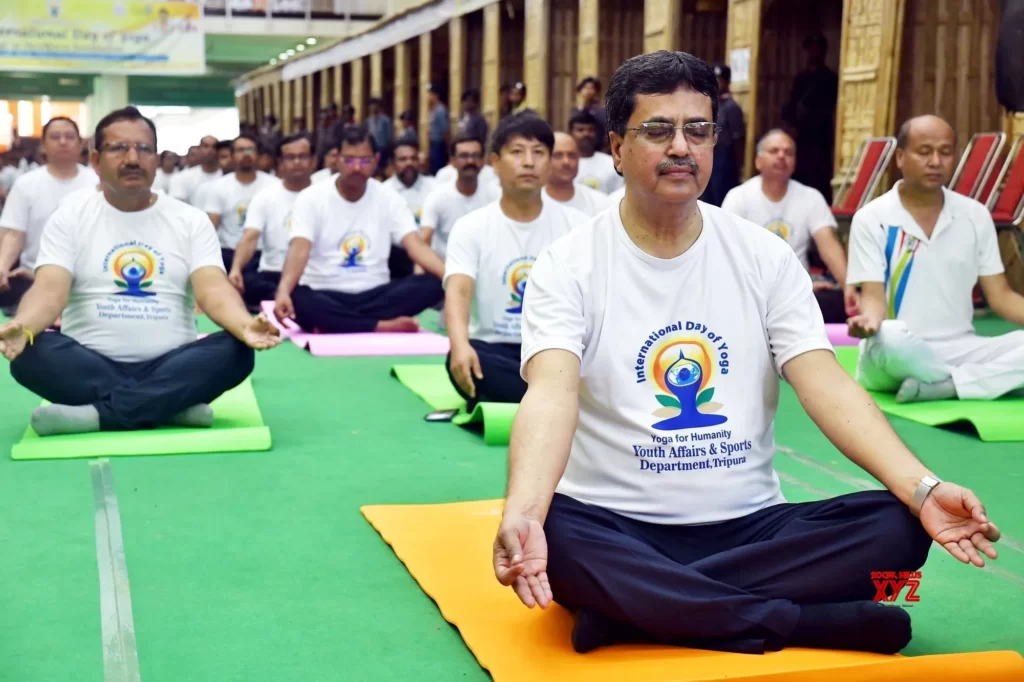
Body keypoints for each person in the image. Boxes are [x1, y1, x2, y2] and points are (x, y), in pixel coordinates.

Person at [491, 51, 1000, 658]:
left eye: (698, 130)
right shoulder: (568, 262)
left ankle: (634, 613)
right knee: (555, 534)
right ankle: (804, 623)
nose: (681, 147)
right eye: (658, 130)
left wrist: (922, 488)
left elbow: (826, 385)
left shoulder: (763, 256)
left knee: (895, 528)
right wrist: (523, 510)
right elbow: (551, 393)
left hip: (753, 527)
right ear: (618, 148)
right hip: (617, 526)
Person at [0, 106, 281, 436]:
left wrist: (245, 325)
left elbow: (214, 290)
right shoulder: (69, 218)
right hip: (89, 363)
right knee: (32, 355)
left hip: (171, 362)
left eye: (143, 149)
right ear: (95, 161)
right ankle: (169, 407)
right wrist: (24, 325)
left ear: (156, 160)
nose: (132, 158)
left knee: (235, 351)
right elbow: (49, 290)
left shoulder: (189, 220)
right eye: (119, 148)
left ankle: (97, 415)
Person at [846, 114, 1024, 403]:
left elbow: (1001, 296)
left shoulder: (975, 215)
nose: (936, 162)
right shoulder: (872, 218)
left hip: (961, 347)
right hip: (894, 350)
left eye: (945, 152)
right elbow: (873, 296)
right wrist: (869, 319)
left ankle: (948, 385)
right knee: (892, 336)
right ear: (901, 157)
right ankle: (969, 382)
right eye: (924, 152)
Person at [445, 115, 588, 408]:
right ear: (495, 162)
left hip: (555, 348)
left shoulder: (578, 226)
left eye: (538, 153)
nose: (528, 162)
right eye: (517, 152)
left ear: (549, 163)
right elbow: (458, 289)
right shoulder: (471, 226)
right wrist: (459, 345)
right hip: (495, 349)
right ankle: (560, 402)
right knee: (463, 360)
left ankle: (539, 398)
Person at [274, 125, 446, 334]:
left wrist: (450, 277)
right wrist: (283, 290)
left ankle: (336, 323)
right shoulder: (311, 197)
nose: (357, 168)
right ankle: (379, 325)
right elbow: (300, 249)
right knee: (298, 298)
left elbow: (415, 244)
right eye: (349, 160)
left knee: (432, 284)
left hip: (376, 294)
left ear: (376, 160)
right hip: (324, 291)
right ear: (337, 159)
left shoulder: (388, 197)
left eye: (364, 161)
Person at [722, 129, 854, 322]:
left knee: (839, 304)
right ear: (758, 161)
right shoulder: (738, 197)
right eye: (774, 151)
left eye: (788, 152)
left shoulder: (810, 197)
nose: (781, 156)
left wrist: (849, 288)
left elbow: (829, 246)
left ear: (794, 163)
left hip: (798, 291)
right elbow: (726, 250)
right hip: (751, 291)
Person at [0, 117, 99, 315]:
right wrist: (2, 266)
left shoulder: (98, 183)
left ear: (81, 145)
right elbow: (13, 233)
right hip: (35, 281)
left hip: (89, 283)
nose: (63, 141)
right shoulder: (26, 184)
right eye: (55, 137)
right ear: (43, 146)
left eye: (70, 136)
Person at [229, 133, 315, 309]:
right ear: (280, 163)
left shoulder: (326, 195)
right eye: (290, 157)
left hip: (315, 275)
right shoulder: (265, 197)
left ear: (314, 160)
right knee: (251, 284)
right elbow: (250, 237)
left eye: (303, 156)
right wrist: (236, 268)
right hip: (273, 273)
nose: (297, 162)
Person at [204, 135, 279, 273]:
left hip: (263, 252)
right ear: (232, 156)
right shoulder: (218, 187)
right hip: (228, 252)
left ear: (257, 155)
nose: (246, 154)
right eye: (240, 150)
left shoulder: (274, 185)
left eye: (250, 150)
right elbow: (211, 225)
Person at [421, 136, 501, 263]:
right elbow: (424, 242)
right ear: (452, 161)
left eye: (475, 156)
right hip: (444, 268)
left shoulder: (496, 195)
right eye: (464, 156)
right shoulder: (437, 196)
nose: (470, 161)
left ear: (482, 161)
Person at [782, 35, 839, 203]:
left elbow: (827, 107)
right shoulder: (801, 78)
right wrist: (790, 125)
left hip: (818, 137)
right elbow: (790, 104)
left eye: (816, 49)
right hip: (799, 138)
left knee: (817, 176)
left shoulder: (830, 78)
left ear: (823, 52)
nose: (813, 53)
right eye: (810, 50)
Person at [384, 142, 437, 279]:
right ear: (393, 163)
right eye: (403, 159)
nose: (409, 163)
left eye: (413, 159)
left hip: (430, 251)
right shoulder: (383, 191)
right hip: (395, 256)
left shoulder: (435, 187)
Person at [702, 64, 746, 207]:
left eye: (719, 79)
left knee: (721, 199)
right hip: (710, 157)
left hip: (725, 159)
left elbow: (738, 139)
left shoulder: (731, 107)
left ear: (727, 81)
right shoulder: (713, 105)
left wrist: (739, 167)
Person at [544, 132, 611, 217]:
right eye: (558, 155)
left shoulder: (600, 203)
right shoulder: (531, 202)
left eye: (571, 156)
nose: (566, 162)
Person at [570, 110, 624, 194]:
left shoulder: (611, 163)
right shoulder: (564, 164)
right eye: (580, 130)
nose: (586, 134)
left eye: (590, 130)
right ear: (571, 133)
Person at [169, 135, 221, 205]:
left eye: (214, 147)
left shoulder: (227, 176)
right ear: (199, 150)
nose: (210, 150)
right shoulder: (181, 178)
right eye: (206, 146)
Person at [571, 76, 608, 152]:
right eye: (585, 88)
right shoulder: (576, 110)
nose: (588, 91)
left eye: (591, 88)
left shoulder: (601, 110)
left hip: (597, 149)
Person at [427, 84, 450, 175]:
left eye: (430, 94)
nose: (428, 97)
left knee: (438, 169)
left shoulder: (440, 110)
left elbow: (445, 129)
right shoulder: (434, 109)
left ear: (435, 96)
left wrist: (448, 148)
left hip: (439, 145)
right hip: (433, 144)